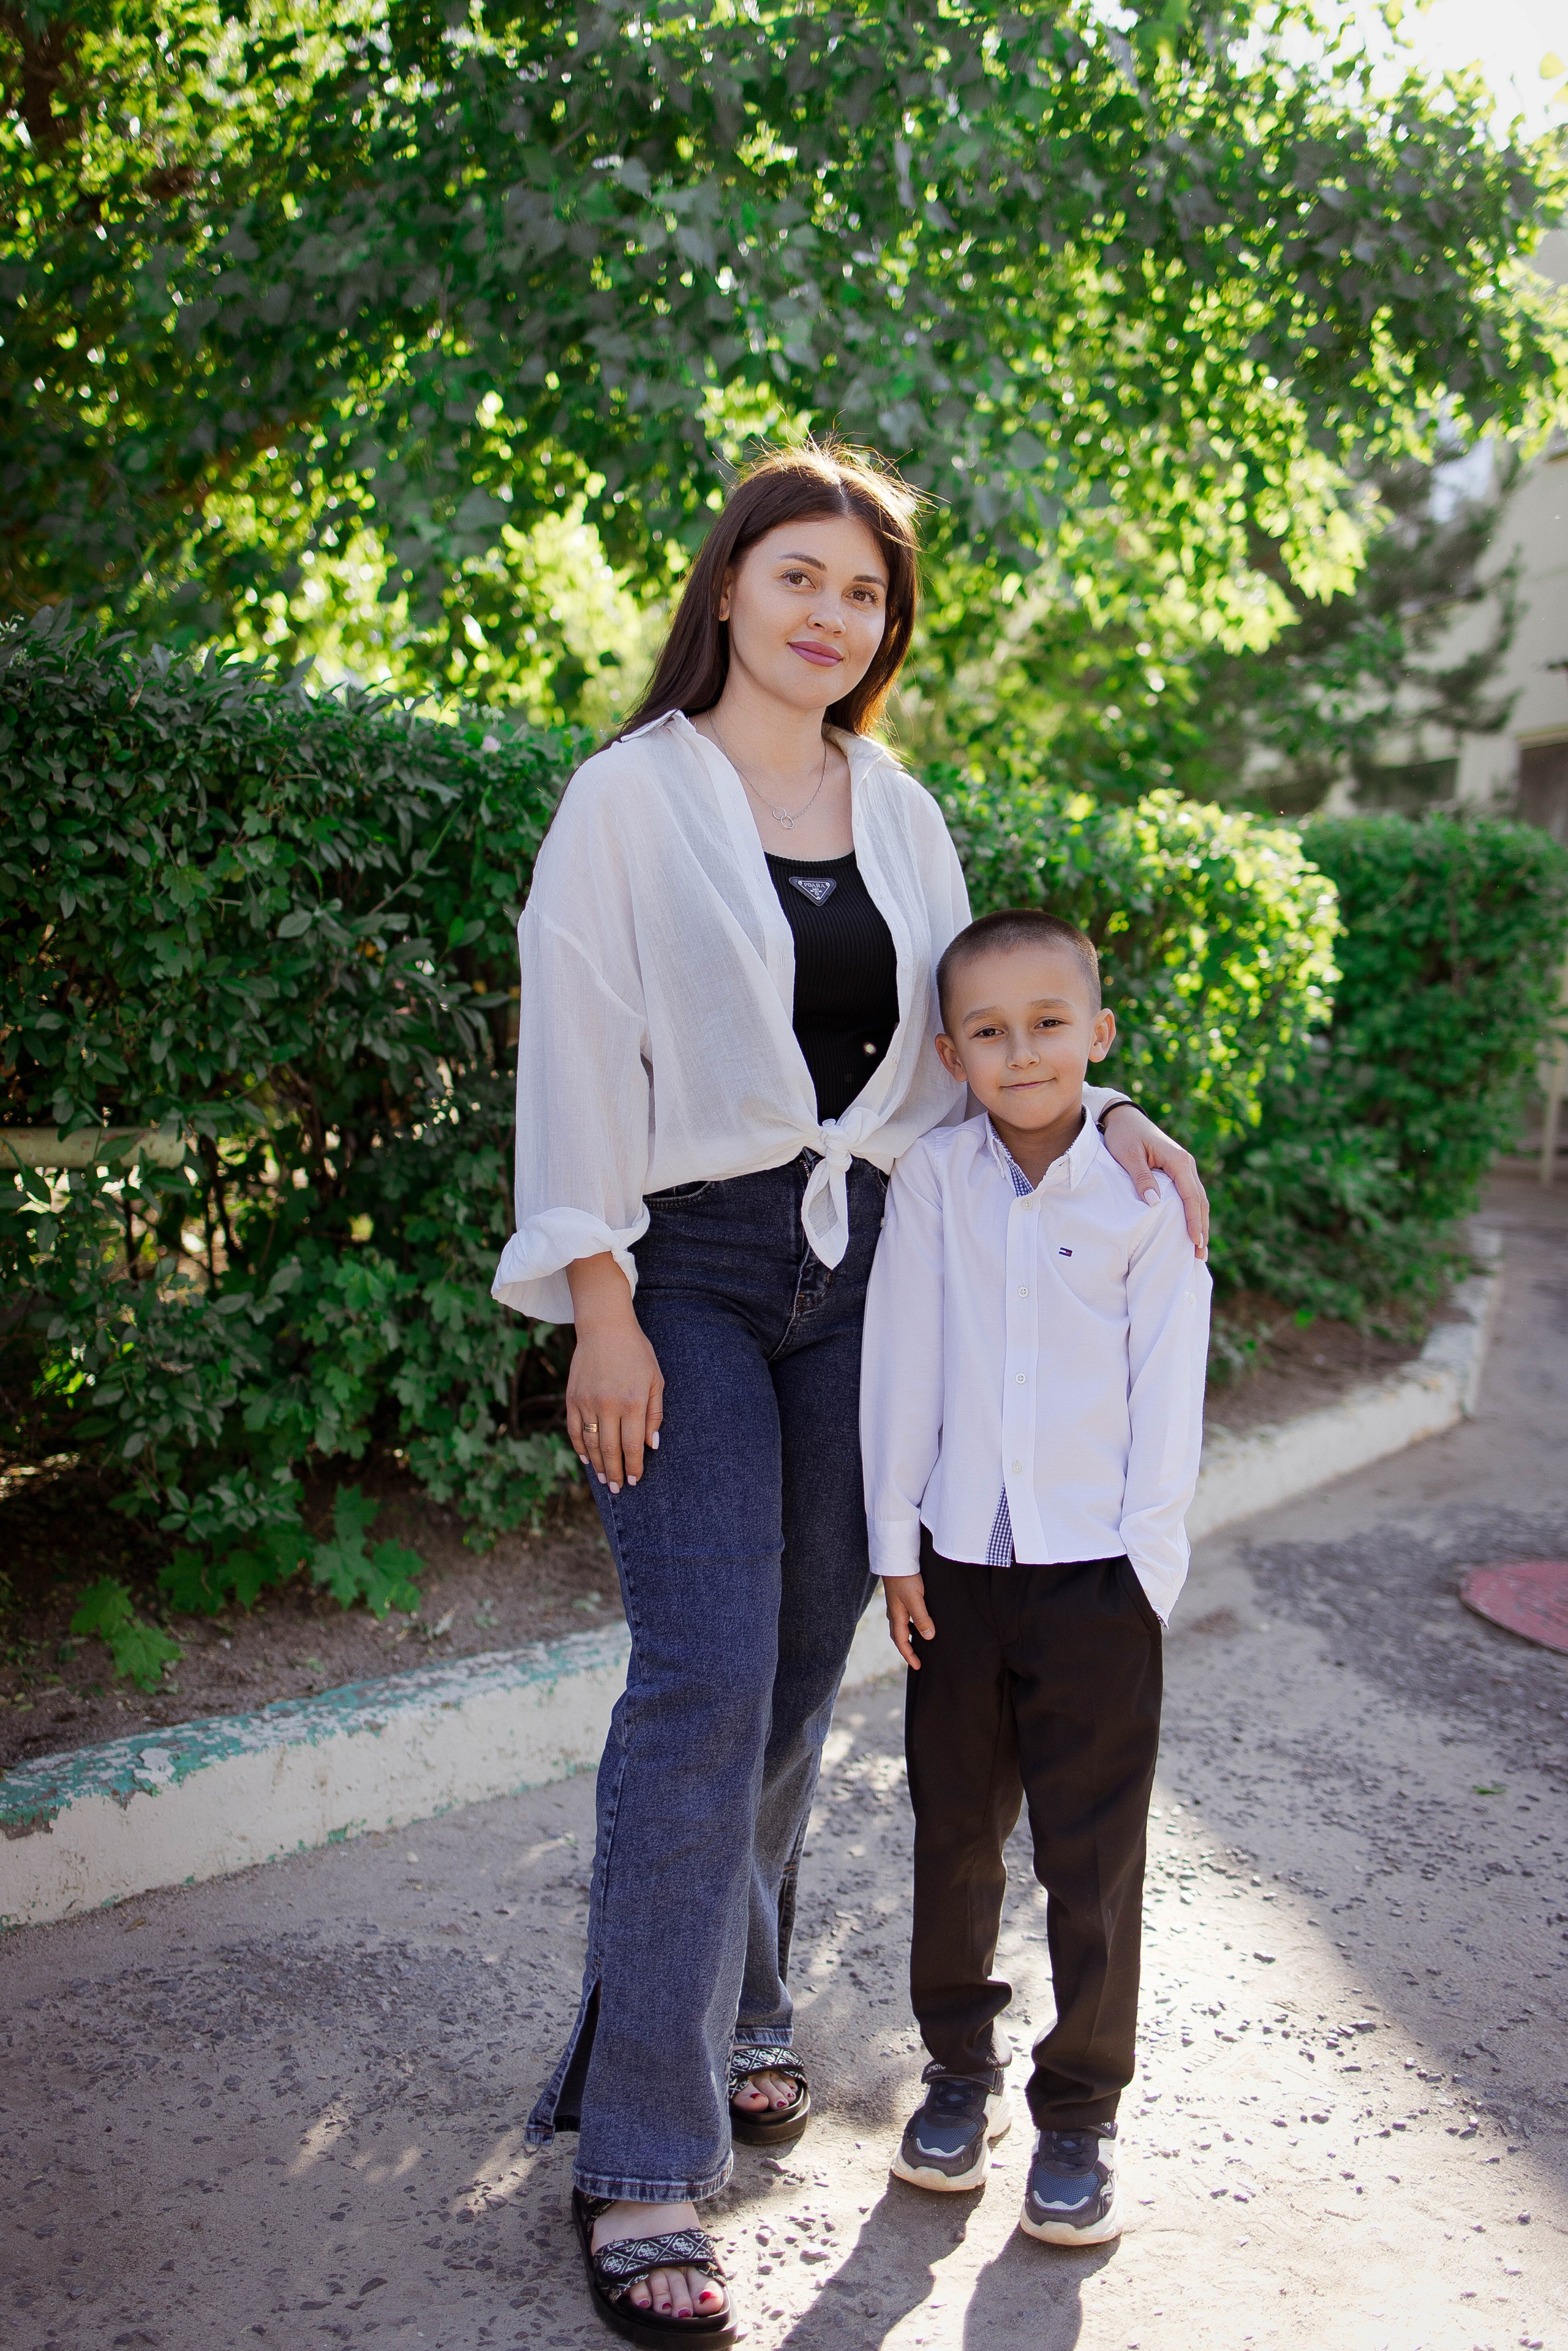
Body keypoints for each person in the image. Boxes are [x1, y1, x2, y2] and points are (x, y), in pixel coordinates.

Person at [491, 443, 1209, 2344]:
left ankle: (740, 2006)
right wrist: (601, 1302)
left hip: (869, 1268)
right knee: (705, 1672)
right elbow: (573, 1054)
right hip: (688, 1270)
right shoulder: (627, 801)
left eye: (866, 593)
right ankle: (642, 2157)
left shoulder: (898, 808)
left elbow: (987, 1029)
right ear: (728, 586)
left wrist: (1114, 1106)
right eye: (799, 575)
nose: (832, 614)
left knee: (809, 1662)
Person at [862, 907, 1212, 2249]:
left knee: (1090, 1856)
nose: (1021, 1054)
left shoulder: (1143, 1192)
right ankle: (959, 2073)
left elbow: (1164, 1396)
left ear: (1098, 1035)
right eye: (990, 1032)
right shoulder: (933, 1183)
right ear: (949, 1052)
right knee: (952, 1836)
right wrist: (894, 1545)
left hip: (1095, 1585)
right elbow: (901, 1366)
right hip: (956, 1570)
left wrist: (1144, 1570)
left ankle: (1078, 2110)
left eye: (1049, 1025)